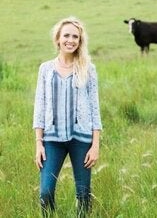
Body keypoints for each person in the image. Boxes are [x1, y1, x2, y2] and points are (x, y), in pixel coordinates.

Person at [33, 16, 102, 217]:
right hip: (51, 140)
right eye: (66, 36)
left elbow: (94, 108)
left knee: (83, 194)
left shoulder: (88, 69)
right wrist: (39, 143)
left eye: (75, 37)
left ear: (80, 41)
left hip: (81, 139)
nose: (70, 40)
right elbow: (39, 105)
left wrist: (95, 145)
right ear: (58, 39)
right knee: (45, 192)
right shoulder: (45, 69)